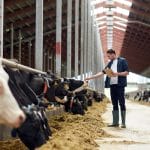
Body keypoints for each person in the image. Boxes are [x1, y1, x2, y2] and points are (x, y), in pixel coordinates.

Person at [85, 49, 129, 128]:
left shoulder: (122, 61)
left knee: (121, 102)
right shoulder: (110, 63)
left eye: (109, 56)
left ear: (113, 54)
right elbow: (102, 72)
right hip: (112, 85)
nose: (108, 58)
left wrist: (117, 74)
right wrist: (91, 77)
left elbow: (126, 72)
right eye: (107, 56)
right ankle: (115, 122)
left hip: (120, 85)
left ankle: (123, 123)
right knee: (114, 103)